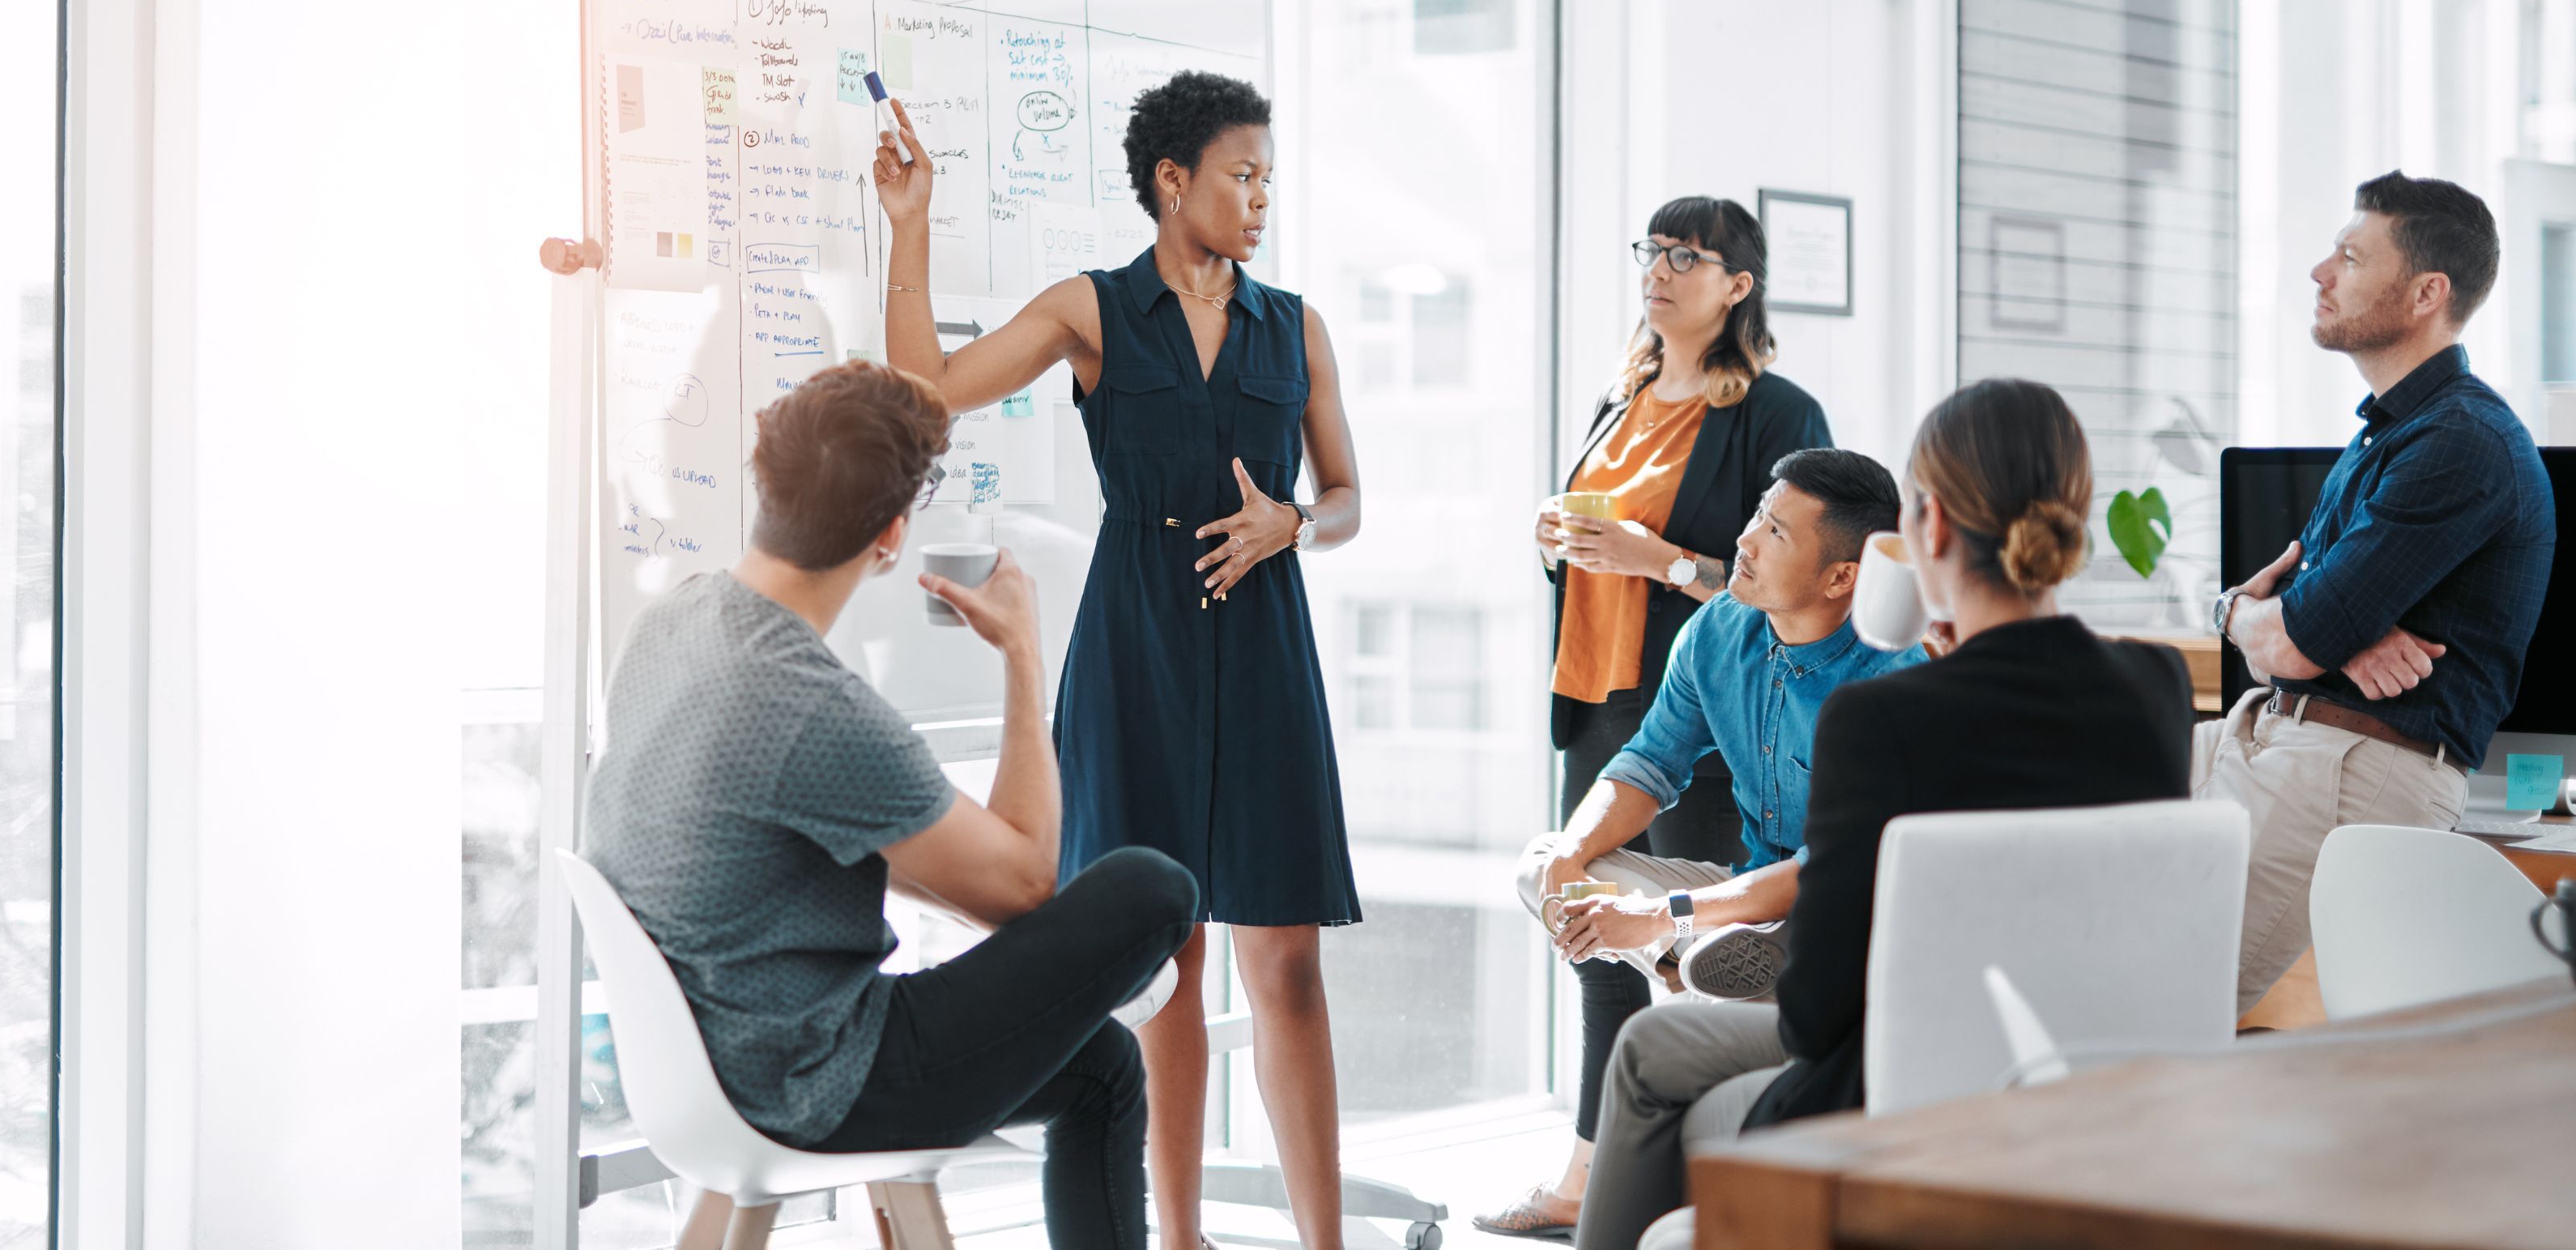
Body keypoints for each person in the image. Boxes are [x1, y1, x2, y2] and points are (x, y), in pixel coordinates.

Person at [869, 72, 1363, 1250]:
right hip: (1137, 642)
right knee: (1168, 961)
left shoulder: (1295, 325)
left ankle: (1327, 1245)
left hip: (1263, 648)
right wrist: (911, 226)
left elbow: (1345, 499)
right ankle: (1178, 1241)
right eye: (1240, 176)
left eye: (1268, 180)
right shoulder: (1090, 311)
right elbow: (924, 395)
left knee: (1285, 960)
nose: (1258, 200)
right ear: (1172, 181)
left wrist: (1292, 522)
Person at [1554, 380, 2194, 1250]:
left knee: (1648, 1050)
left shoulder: (1887, 716)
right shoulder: (2156, 689)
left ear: (1923, 534)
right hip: (2100, 1085)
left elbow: (1816, 1012)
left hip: (1901, 1085)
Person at [582, 363, 1198, 1250]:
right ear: (893, 535)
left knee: (1099, 1065)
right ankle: (1126, 985)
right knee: (1153, 887)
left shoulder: (673, 621)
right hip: (813, 1084)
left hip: (700, 1070)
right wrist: (1024, 656)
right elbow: (1025, 882)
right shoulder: (810, 704)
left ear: (770, 483)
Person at [1484, 198, 1832, 1238]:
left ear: (1738, 286)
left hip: (1711, 721)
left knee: (1703, 953)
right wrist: (1555, 538)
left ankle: (1707, 1191)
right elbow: (1592, 543)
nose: (1662, 269)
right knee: (1595, 937)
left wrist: (1662, 563)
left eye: (1690, 255)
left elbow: (1803, 581)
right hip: (1601, 699)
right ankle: (1593, 1183)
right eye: (1653, 249)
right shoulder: (1619, 395)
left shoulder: (1777, 413)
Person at [1482, 449, 1921, 1241]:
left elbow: (1836, 867)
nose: (1746, 541)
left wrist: (1659, 917)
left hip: (1849, 914)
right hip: (1749, 895)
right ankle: (1693, 962)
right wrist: (1572, 859)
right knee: (1543, 863)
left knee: (1718, 921)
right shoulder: (1718, 628)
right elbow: (1650, 764)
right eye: (1757, 514)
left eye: (1776, 532)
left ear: (1840, 577)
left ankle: (1706, 951)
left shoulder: (1893, 674)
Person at [2203, 172, 2556, 1015]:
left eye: (2351, 256)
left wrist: (2288, 624)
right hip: (2278, 743)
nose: (2322, 273)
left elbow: (2292, 637)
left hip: (2344, 766)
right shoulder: (2390, 434)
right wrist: (2256, 615)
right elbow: (2283, 616)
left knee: (2165, 1005)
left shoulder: (2462, 445)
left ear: (2428, 292)